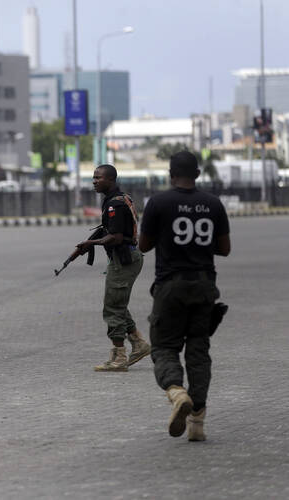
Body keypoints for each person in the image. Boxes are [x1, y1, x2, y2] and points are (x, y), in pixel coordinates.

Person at [138, 151, 230, 441]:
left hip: (170, 287)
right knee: (198, 351)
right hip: (204, 286)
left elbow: (143, 245)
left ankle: (177, 392)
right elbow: (224, 248)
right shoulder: (213, 204)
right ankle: (197, 424)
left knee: (164, 347)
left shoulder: (158, 202)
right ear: (198, 174)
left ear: (170, 173)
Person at [71, 164, 150, 372]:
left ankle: (118, 357)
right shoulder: (120, 198)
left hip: (124, 259)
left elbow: (115, 237)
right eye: (93, 178)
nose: (94, 181)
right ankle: (139, 344)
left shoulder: (115, 204)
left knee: (112, 307)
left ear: (111, 180)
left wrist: (91, 244)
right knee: (118, 302)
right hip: (126, 257)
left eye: (98, 178)